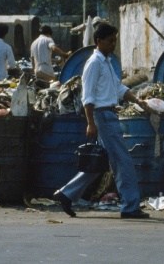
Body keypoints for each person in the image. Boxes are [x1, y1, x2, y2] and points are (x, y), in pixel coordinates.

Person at [53, 22, 153, 220]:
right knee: (123, 162)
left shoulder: (106, 62)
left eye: (114, 41)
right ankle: (130, 206)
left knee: (99, 162)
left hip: (108, 115)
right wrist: (91, 123)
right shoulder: (94, 63)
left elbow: (119, 88)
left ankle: (66, 194)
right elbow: (87, 97)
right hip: (103, 117)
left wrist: (139, 100)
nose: (113, 45)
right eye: (110, 41)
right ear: (98, 41)